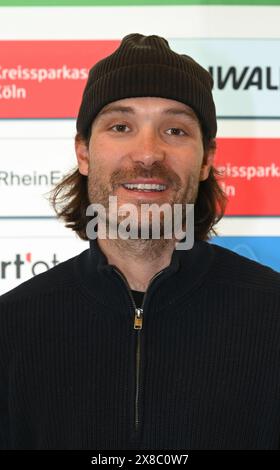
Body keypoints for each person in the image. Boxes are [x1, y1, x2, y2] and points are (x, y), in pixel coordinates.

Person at [0, 33, 279, 451]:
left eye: (175, 129)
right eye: (120, 126)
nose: (148, 153)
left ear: (206, 160)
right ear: (84, 154)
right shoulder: (11, 329)